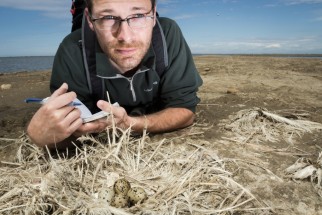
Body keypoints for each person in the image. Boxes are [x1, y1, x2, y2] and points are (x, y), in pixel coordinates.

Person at [27, 0, 203, 149]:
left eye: (138, 15)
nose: (125, 37)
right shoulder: (72, 50)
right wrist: (43, 136)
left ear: (154, 14)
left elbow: (185, 110)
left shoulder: (168, 34)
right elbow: (70, 129)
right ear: (90, 20)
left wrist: (130, 124)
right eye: (108, 17)